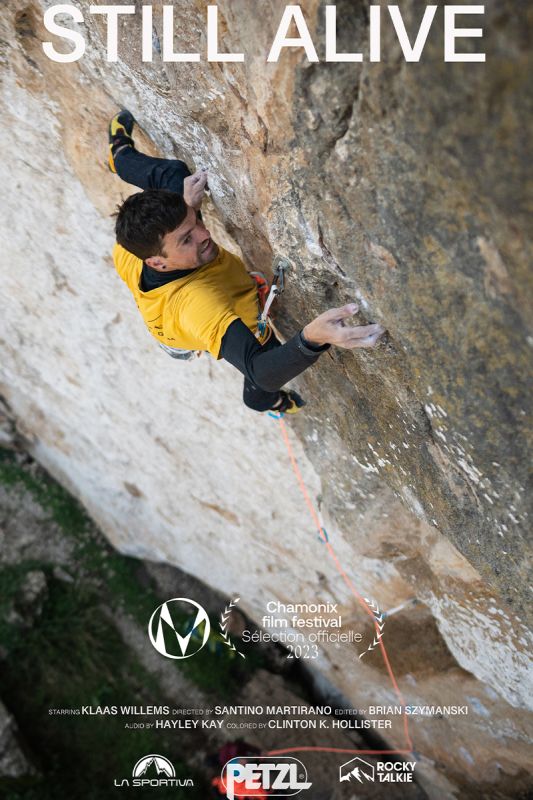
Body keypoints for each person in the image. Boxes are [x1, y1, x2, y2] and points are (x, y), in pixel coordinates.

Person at [109, 111, 385, 413]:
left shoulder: (128, 250)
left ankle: (119, 154)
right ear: (158, 263)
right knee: (267, 352)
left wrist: (189, 208)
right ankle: (266, 402)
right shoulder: (200, 306)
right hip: (183, 329)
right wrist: (311, 340)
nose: (204, 234)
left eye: (195, 222)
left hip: (172, 309)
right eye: (187, 239)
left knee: (175, 175)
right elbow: (260, 371)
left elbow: (179, 222)